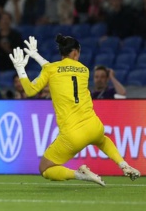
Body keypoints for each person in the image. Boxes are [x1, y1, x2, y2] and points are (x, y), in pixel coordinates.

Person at [9, 35, 140, 186]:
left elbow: (31, 90)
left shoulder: (51, 69)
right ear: (76, 52)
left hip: (72, 134)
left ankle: (79, 174)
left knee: (44, 168)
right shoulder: (84, 70)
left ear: (62, 52)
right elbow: (58, 69)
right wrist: (36, 56)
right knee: (102, 140)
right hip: (94, 126)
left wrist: (20, 69)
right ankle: (123, 164)